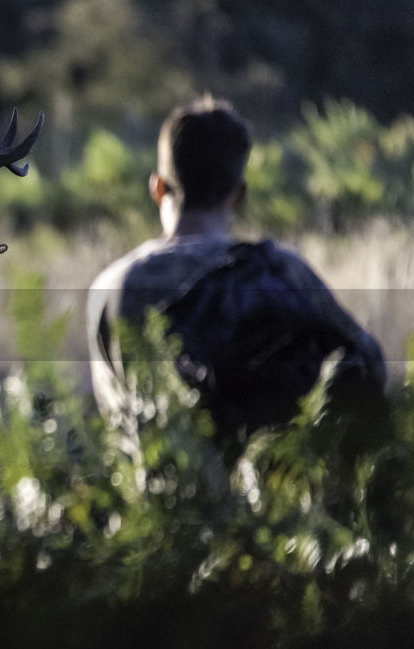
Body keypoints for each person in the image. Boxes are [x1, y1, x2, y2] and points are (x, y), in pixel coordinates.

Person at [87, 97, 386, 461]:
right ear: (239, 194)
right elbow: (369, 363)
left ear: (158, 188)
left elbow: (115, 424)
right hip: (271, 502)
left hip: (158, 502)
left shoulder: (115, 285)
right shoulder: (281, 269)